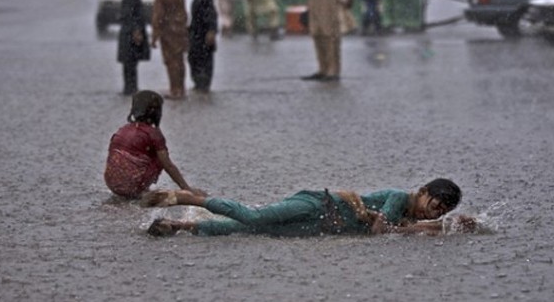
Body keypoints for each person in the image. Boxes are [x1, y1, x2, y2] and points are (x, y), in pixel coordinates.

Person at [142, 178, 476, 237]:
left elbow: (387, 229)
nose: (433, 212)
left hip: (323, 225)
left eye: (440, 212)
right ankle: (186, 198)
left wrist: (440, 228)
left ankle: (180, 228)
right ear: (421, 192)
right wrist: (425, 230)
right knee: (255, 215)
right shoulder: (399, 198)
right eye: (434, 204)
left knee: (253, 231)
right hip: (316, 203)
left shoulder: (407, 216)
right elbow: (378, 231)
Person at [103, 90, 206, 199]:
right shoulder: (153, 133)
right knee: (159, 156)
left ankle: (133, 185)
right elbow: (168, 166)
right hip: (132, 187)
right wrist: (187, 189)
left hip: (112, 184)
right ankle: (140, 188)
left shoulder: (123, 129)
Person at [152, 0, 189, 100]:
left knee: (171, 61)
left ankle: (174, 89)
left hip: (168, 32)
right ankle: (182, 88)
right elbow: (184, 13)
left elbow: (158, 17)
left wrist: (155, 36)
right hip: (180, 30)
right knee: (180, 60)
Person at [117, 0, 151, 95]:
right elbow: (129, 16)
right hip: (129, 35)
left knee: (131, 62)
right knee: (130, 63)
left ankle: (131, 87)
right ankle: (130, 88)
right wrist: (136, 31)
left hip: (130, 33)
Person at [187, 0, 218, 93]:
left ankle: (203, 86)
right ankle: (199, 85)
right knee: (195, 59)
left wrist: (211, 31)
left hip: (202, 36)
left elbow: (211, 15)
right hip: (196, 35)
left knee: (203, 60)